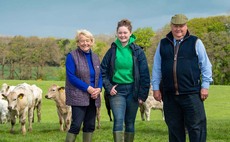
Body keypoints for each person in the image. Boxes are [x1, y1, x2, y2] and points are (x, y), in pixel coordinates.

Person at [151, 14, 213, 142]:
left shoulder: (195, 42)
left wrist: (205, 86)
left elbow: (206, 65)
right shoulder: (163, 44)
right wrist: (156, 88)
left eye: (181, 26)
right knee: (174, 129)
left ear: (186, 26)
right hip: (170, 95)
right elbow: (157, 68)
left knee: (197, 128)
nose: (178, 29)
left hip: (192, 93)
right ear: (171, 26)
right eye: (175, 26)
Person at [101, 19, 150, 142]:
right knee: (118, 120)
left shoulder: (138, 51)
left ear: (130, 33)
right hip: (117, 91)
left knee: (130, 122)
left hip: (133, 91)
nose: (122, 35)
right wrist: (108, 86)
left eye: (125, 33)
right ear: (116, 33)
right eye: (120, 33)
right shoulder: (112, 51)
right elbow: (102, 71)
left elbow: (144, 74)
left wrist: (142, 95)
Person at [65, 29, 102, 142]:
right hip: (78, 96)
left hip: (93, 96)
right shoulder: (72, 56)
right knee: (76, 125)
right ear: (78, 42)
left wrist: (99, 89)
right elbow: (71, 77)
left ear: (92, 42)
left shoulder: (95, 57)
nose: (85, 43)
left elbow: (100, 75)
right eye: (82, 41)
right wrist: (88, 88)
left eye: (88, 40)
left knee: (90, 125)